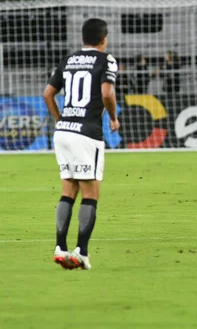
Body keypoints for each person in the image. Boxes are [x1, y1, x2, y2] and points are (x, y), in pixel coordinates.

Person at [43, 18, 120, 270]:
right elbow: (107, 93)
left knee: (68, 190)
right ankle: (81, 251)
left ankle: (59, 247)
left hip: (64, 131)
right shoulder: (106, 59)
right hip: (87, 133)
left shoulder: (68, 60)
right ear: (103, 38)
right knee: (90, 194)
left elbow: (47, 94)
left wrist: (60, 121)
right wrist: (113, 118)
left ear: (82, 38)